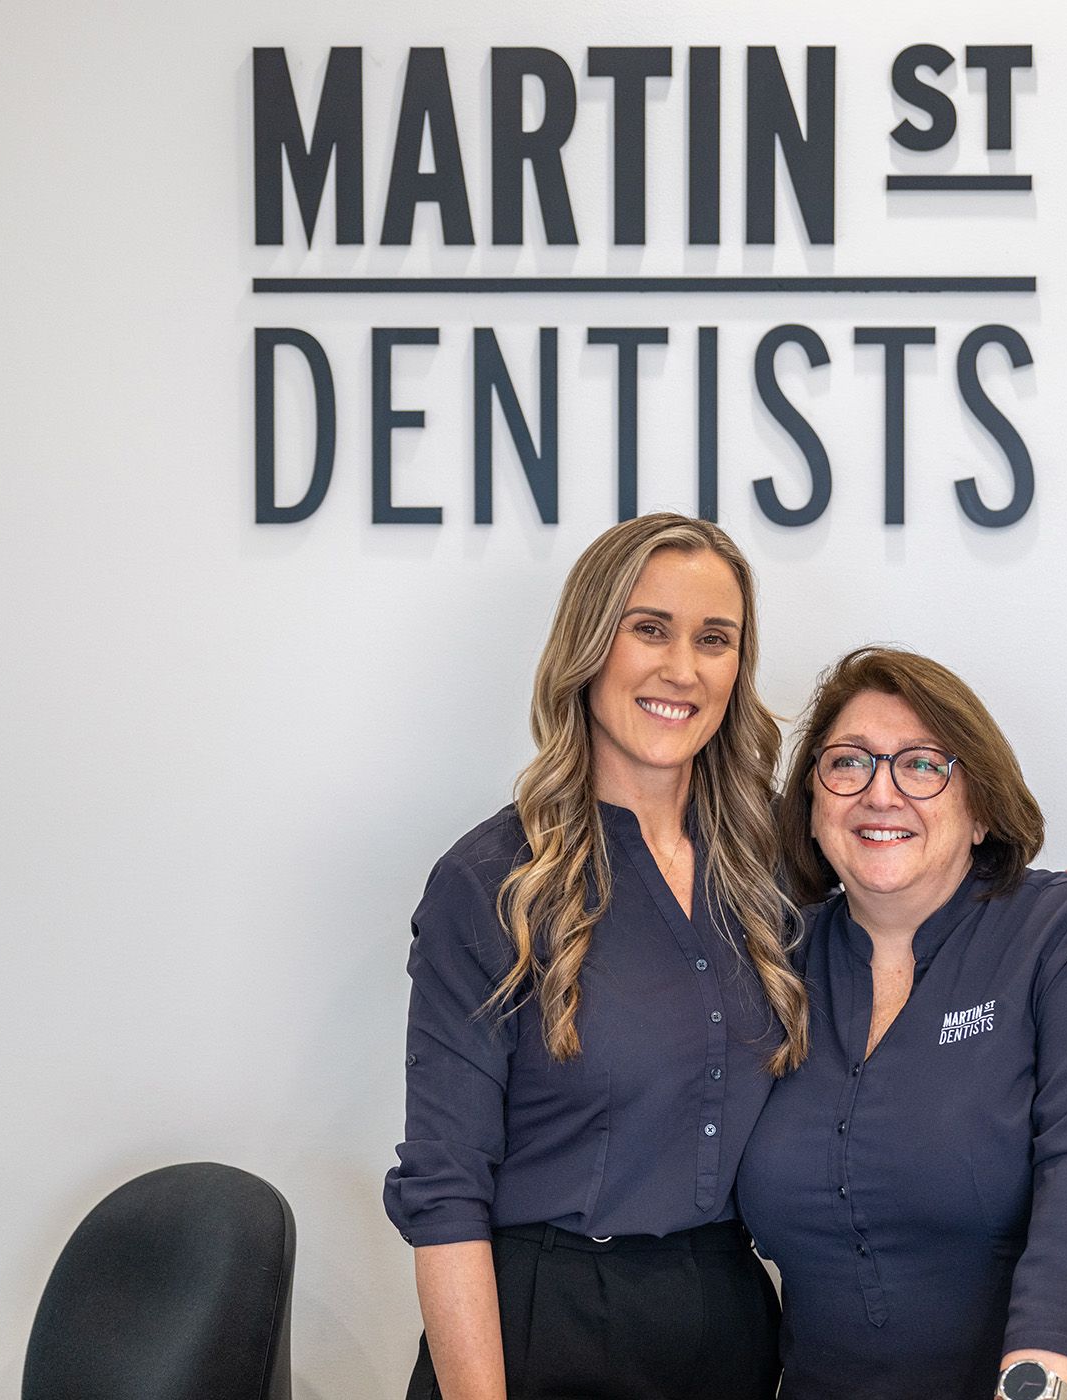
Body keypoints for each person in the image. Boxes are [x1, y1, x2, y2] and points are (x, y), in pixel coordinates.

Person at [384, 514, 806, 1400]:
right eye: (649, 628)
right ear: (588, 645)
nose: (682, 669)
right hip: (545, 1326)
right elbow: (446, 1192)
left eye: (714, 639)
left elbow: (910, 921)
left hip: (730, 1322)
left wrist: (1064, 919)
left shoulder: (770, 863)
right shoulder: (492, 881)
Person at [739, 647, 1067, 1400]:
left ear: (981, 809)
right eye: (848, 763)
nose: (880, 793)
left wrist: (1040, 1386)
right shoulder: (769, 964)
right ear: (813, 804)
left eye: (922, 766)